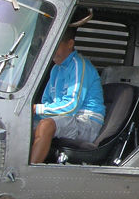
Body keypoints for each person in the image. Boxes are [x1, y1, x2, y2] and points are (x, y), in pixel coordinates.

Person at [30, 10, 105, 164]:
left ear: (70, 44)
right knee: (17, 126)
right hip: (67, 119)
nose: (50, 52)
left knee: (46, 125)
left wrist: (36, 109)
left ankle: (27, 173)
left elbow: (71, 106)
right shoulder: (56, 69)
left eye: (55, 46)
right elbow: (48, 103)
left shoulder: (79, 65)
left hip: (86, 122)